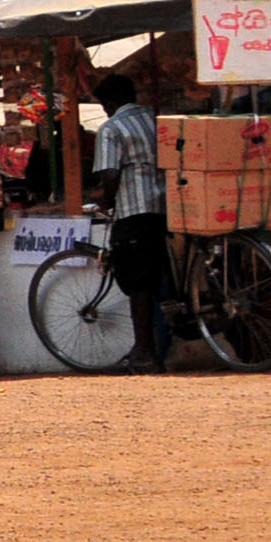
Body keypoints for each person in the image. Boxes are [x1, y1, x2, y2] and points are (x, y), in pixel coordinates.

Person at [88, 71, 172, 370]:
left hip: (134, 209)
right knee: (159, 275)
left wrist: (106, 199)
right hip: (166, 206)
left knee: (138, 282)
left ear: (109, 102)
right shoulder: (155, 119)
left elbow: (110, 173)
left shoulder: (112, 128)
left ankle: (144, 351)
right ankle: (163, 346)